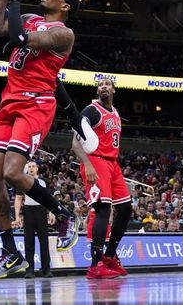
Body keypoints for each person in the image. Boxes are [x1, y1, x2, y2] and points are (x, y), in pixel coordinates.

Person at [0, 0, 80, 280]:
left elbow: (22, 39)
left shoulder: (63, 34)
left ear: (64, 7)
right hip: (10, 102)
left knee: (11, 172)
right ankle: (10, 252)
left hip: (35, 105)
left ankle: (63, 214)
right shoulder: (29, 16)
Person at [71, 78, 132, 279]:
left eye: (107, 84)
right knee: (103, 209)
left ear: (114, 89)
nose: (103, 86)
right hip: (95, 161)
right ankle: (95, 264)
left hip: (112, 164)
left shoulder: (115, 112)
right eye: (100, 84)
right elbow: (75, 142)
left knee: (125, 209)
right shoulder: (91, 110)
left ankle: (109, 256)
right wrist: (87, 164)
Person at [13, 161, 53, 279]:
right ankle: (29, 270)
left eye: (33, 166)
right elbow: (18, 199)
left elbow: (49, 198)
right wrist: (17, 216)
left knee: (44, 242)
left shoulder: (43, 182)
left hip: (41, 210)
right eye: (29, 166)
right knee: (28, 242)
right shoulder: (22, 181)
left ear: (37, 169)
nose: (31, 168)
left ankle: (46, 270)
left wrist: (51, 212)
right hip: (28, 211)